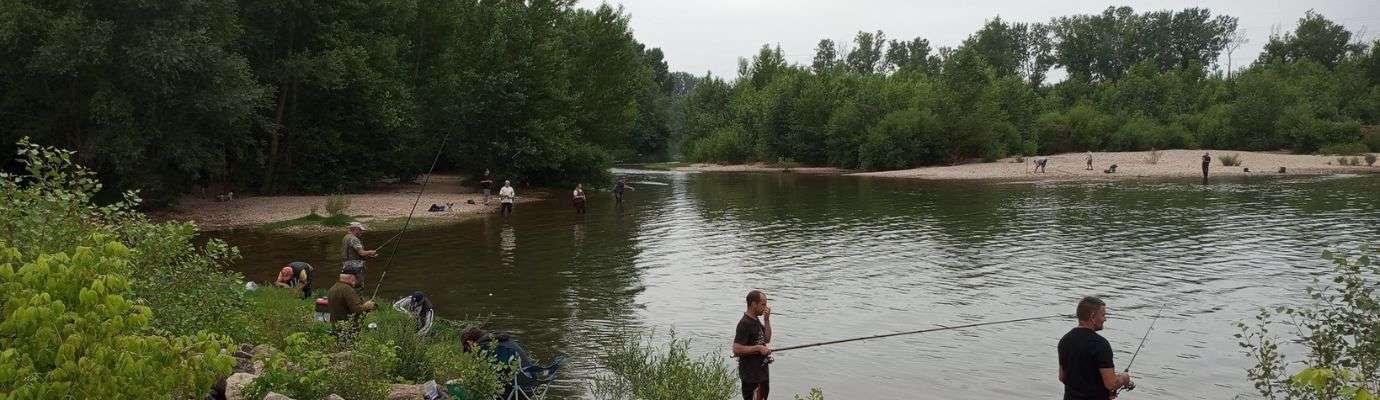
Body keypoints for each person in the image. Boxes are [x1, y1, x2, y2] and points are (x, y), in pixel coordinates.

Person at [1058, 296, 1133, 400]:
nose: (1105, 319)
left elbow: (1062, 377)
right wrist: (1124, 378)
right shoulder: (1100, 344)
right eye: (1103, 315)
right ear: (1093, 316)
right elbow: (1111, 384)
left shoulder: (1065, 340)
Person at [733, 290, 773, 400]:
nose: (765, 308)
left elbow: (767, 339)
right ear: (753, 304)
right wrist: (758, 348)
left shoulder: (756, 320)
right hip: (751, 376)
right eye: (763, 304)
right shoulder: (744, 323)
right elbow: (736, 349)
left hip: (761, 374)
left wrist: (766, 320)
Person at [328, 271, 377, 343]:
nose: (357, 280)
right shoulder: (347, 289)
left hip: (337, 329)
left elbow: (345, 307)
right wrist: (367, 306)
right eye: (355, 277)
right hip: (348, 330)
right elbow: (357, 310)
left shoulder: (332, 288)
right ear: (351, 277)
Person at [342, 222, 377, 288]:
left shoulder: (345, 237)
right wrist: (371, 252)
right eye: (360, 230)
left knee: (347, 287)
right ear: (355, 229)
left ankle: (347, 298)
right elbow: (361, 253)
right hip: (355, 266)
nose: (362, 232)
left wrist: (368, 256)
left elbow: (352, 253)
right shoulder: (354, 239)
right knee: (358, 286)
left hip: (346, 265)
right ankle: (358, 298)